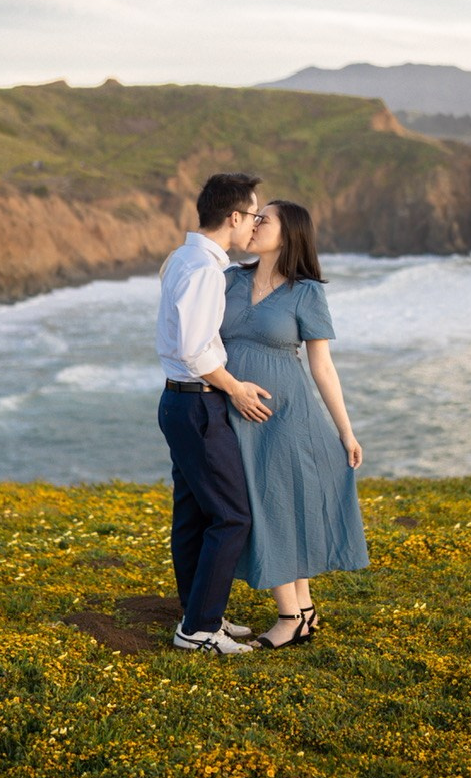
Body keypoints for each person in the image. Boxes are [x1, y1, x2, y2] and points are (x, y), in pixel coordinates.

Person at [220, 199, 369, 650]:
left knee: (274, 506)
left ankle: (291, 617)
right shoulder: (230, 279)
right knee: (264, 505)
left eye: (264, 220)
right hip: (234, 411)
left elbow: (323, 366)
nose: (254, 224)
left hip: (285, 418)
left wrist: (346, 431)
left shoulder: (306, 293)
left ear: (288, 234)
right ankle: (302, 611)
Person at [156, 172, 272, 655]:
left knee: (194, 515)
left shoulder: (183, 258)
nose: (257, 225)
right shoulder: (204, 269)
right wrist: (236, 389)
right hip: (198, 402)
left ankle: (198, 613)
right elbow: (194, 349)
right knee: (231, 516)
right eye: (255, 216)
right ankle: (199, 629)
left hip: (179, 402)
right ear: (234, 217)